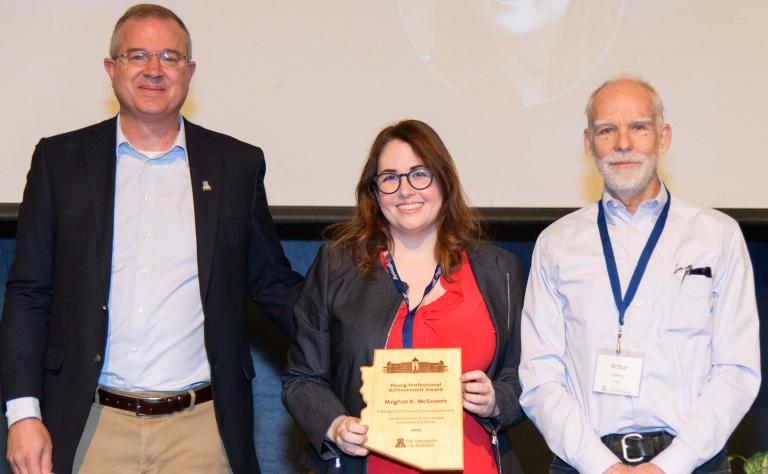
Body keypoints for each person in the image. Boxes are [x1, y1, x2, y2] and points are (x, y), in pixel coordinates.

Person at [0, 4, 303, 473]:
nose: (154, 71)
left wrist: (367, 330)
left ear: (190, 71)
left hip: (202, 428)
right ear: (111, 68)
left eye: (170, 57)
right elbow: (28, 294)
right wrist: (22, 414)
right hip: (90, 424)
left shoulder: (236, 166)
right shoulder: (59, 161)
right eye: (137, 55)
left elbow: (272, 284)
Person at [519, 77, 761, 473]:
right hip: (584, 464)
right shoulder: (555, 244)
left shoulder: (717, 237)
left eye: (638, 127)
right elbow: (540, 376)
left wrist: (670, 465)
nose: (623, 143)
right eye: (607, 130)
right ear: (588, 143)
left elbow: (737, 370)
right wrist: (602, 466)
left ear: (663, 137)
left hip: (693, 464)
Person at [282, 119, 526, 473]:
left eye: (419, 174)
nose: (405, 190)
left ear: (445, 181)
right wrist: (334, 424)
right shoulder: (337, 266)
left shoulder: (498, 269)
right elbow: (301, 379)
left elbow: (525, 378)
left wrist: (496, 401)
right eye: (390, 178)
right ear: (375, 192)